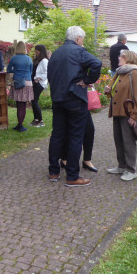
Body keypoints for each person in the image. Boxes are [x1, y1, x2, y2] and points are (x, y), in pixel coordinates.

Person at [47, 26, 102, 187]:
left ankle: (53, 171)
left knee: (57, 134)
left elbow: (50, 75)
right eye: (82, 39)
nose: (82, 41)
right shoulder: (78, 51)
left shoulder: (56, 53)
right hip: (75, 98)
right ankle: (72, 175)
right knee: (75, 136)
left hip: (58, 98)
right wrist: (86, 81)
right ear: (78, 38)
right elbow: (97, 63)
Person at [105, 50, 137, 181]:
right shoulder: (120, 72)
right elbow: (117, 91)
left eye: (122, 56)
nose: (119, 57)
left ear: (129, 58)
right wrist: (108, 91)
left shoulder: (135, 74)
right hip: (118, 112)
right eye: (120, 55)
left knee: (128, 142)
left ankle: (131, 170)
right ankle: (121, 166)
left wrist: (134, 116)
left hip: (128, 113)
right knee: (119, 140)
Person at [7, 41, 34, 132]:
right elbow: (31, 71)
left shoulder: (14, 58)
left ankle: (20, 125)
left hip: (17, 83)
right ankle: (20, 125)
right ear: (25, 48)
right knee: (23, 105)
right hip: (27, 83)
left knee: (19, 105)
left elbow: (8, 69)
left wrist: (16, 71)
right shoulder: (28, 58)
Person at [31, 44, 49, 128]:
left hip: (39, 83)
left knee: (34, 101)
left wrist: (39, 78)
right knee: (33, 101)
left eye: (36, 51)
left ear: (41, 51)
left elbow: (47, 72)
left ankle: (41, 121)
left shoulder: (44, 61)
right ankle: (36, 119)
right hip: (35, 82)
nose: (35, 52)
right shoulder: (38, 59)